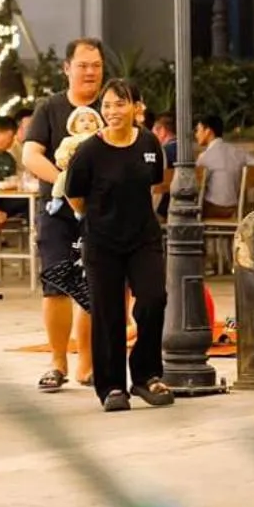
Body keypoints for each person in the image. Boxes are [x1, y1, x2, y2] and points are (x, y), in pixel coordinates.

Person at [66, 78, 173, 411]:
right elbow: (74, 195)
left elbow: (158, 182)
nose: (112, 111)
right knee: (108, 312)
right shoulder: (89, 151)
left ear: (136, 108)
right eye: (107, 105)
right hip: (102, 242)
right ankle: (112, 386)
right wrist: (99, 218)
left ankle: (146, 376)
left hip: (143, 237)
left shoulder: (149, 143)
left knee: (153, 300)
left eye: (120, 104)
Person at [22, 37, 103, 393]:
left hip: (102, 211)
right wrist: (66, 184)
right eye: (83, 65)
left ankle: (87, 363)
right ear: (66, 68)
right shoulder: (49, 108)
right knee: (56, 284)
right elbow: (30, 155)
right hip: (57, 210)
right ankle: (57, 362)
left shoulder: (112, 106)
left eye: (96, 66)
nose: (90, 72)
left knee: (93, 286)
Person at [194, 114, 254, 219]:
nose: (196, 135)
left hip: (212, 209)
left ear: (208, 131)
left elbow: (194, 185)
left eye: (198, 130)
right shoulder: (236, 152)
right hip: (235, 207)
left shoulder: (205, 156)